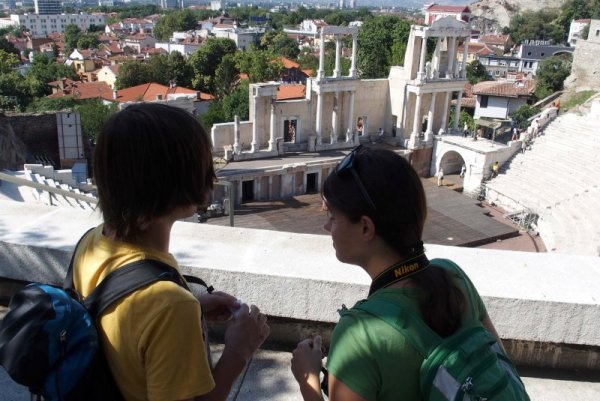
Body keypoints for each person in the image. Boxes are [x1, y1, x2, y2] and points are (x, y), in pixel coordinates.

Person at [73, 104, 270, 401]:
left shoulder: (90, 244)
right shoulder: (169, 305)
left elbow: (121, 326)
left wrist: (191, 309)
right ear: (176, 181)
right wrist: (237, 353)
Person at [290, 146, 505, 401]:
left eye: (333, 217)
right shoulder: (453, 275)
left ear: (366, 228)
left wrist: (309, 379)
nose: (327, 226)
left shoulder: (359, 335)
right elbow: (502, 369)